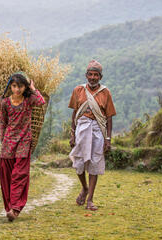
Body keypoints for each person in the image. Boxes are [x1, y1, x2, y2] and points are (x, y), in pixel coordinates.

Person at [68, 60, 116, 211]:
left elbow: (108, 117)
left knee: (95, 163)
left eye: (96, 75)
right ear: (86, 75)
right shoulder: (78, 90)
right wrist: (72, 134)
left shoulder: (105, 92)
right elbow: (74, 113)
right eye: (90, 74)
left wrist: (108, 139)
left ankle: (90, 200)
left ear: (100, 77)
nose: (93, 77)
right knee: (79, 163)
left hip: (97, 131)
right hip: (81, 129)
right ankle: (84, 187)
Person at [0, 72, 46, 221]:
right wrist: (3, 140)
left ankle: (15, 208)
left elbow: (41, 101)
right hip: (8, 143)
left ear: (25, 87)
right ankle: (10, 207)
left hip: (24, 142)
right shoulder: (5, 103)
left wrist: (33, 88)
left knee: (19, 175)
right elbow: (3, 123)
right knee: (6, 176)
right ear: (10, 87)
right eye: (14, 86)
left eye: (20, 86)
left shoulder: (28, 100)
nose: (17, 89)